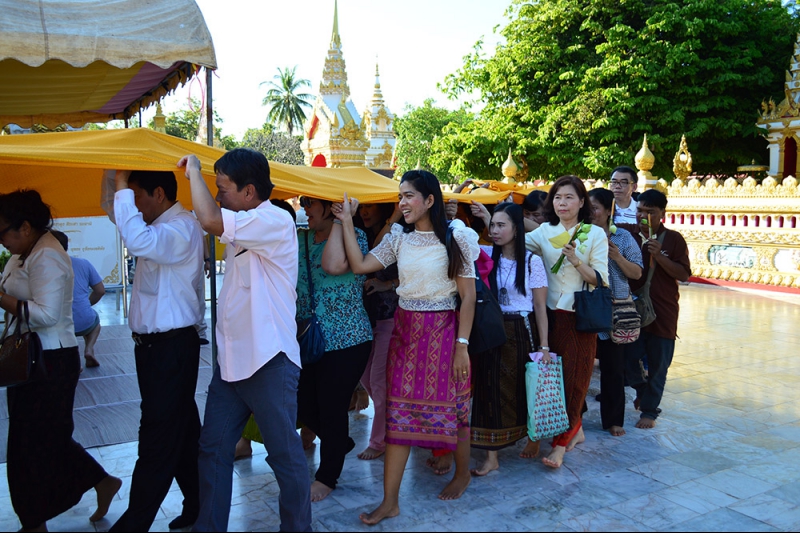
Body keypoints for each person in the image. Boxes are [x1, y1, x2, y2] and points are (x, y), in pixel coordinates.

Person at [330, 169, 480, 525]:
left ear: (429, 200)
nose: (402, 203)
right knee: (397, 413)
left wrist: (462, 345)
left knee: (454, 406)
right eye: (400, 196)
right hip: (405, 332)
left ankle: (462, 473)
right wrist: (349, 223)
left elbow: (468, 295)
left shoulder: (456, 236)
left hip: (444, 331)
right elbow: (360, 265)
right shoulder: (399, 237)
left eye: (409, 196)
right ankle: (390, 501)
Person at [180, 148, 311, 532]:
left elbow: (208, 218)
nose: (218, 196)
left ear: (250, 192)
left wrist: (194, 171)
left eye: (223, 189)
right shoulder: (243, 221)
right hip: (232, 363)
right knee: (212, 450)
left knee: (285, 456)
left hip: (269, 359)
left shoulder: (271, 220)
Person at [0, 189, 122, 532]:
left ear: (24, 227)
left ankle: (35, 519)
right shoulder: (24, 254)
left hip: (50, 360)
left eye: (3, 232)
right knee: (36, 442)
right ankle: (96, 483)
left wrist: (1, 299)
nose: (2, 241)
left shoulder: (48, 256)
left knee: (36, 444)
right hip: (32, 358)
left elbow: (45, 314)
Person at [102, 170, 205, 532]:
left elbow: (138, 240)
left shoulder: (180, 228)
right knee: (183, 432)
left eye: (135, 196)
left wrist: (120, 185)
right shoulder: (158, 225)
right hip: (155, 350)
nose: (131, 205)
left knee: (157, 437)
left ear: (158, 193)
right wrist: (114, 174)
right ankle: (198, 503)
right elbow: (117, 213)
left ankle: (135, 522)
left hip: (172, 348)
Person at [525, 175, 609, 469]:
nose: (563, 203)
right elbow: (514, 241)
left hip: (579, 316)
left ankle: (560, 444)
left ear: (582, 202)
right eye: (558, 197)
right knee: (554, 381)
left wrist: (575, 260)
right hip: (549, 316)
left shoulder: (595, 235)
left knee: (576, 380)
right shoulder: (544, 232)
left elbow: (599, 280)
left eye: (569, 197)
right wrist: (491, 219)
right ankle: (577, 429)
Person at [468, 203, 550, 476]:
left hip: (521, 330)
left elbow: (540, 307)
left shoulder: (532, 261)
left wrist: (544, 346)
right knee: (487, 389)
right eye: (493, 226)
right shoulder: (488, 255)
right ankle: (491, 456)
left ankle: (533, 436)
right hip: (491, 328)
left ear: (517, 229)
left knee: (524, 388)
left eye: (502, 225)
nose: (495, 230)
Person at [618, 189, 691, 429]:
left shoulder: (673, 239)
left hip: (663, 310)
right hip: (630, 308)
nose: (643, 216)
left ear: (662, 214)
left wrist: (660, 257)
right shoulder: (625, 234)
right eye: (640, 210)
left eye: (651, 212)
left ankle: (649, 411)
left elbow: (684, 274)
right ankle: (642, 389)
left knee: (659, 362)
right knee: (627, 356)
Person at [587, 189, 643, 436]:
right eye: (586, 207)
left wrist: (617, 256)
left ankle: (613, 420)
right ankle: (574, 421)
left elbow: (637, 273)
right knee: (579, 367)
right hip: (584, 308)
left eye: (595, 207)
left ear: (609, 210)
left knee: (613, 369)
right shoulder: (578, 235)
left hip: (614, 312)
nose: (591, 213)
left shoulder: (622, 238)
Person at [354, 202, 400, 461]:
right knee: (367, 378)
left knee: (379, 382)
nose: (365, 212)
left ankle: (379, 440)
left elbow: (416, 273)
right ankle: (393, 422)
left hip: (390, 317)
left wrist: (388, 284)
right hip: (367, 318)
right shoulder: (360, 235)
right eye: (363, 207)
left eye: (371, 206)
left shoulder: (398, 235)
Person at [50, 230, 106, 369]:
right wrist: (86, 304)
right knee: (94, 321)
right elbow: (100, 290)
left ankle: (72, 361)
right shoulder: (83, 263)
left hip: (58, 323)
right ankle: (89, 348)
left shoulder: (42, 268)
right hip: (84, 320)